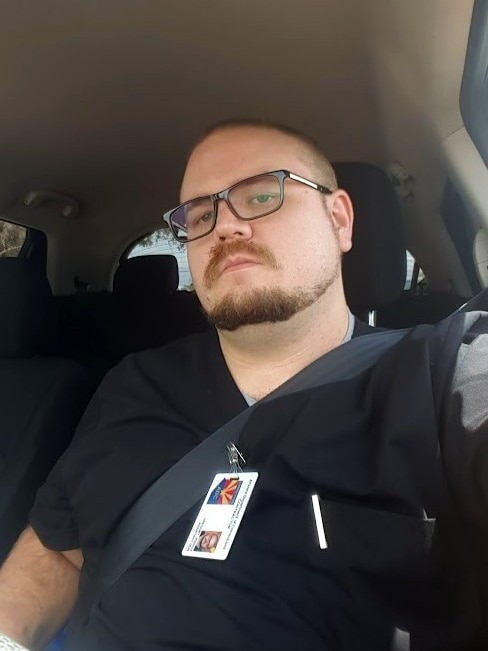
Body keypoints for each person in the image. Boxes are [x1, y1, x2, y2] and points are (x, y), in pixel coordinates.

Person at [0, 119, 486, 651]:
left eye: (262, 195)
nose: (226, 227)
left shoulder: (442, 374)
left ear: (339, 219)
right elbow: (58, 547)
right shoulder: (134, 384)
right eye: (202, 214)